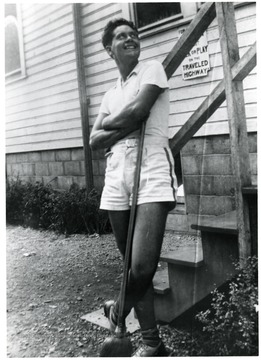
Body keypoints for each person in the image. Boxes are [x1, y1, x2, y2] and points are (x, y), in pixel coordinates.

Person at [89, 18, 177, 357]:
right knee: (130, 267)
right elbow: (95, 140)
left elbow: (142, 111)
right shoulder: (110, 93)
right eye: (121, 37)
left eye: (133, 35)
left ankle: (117, 312)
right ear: (109, 49)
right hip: (116, 174)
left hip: (151, 163)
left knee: (142, 268)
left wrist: (111, 125)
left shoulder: (151, 70)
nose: (130, 39)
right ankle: (153, 344)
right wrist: (121, 123)